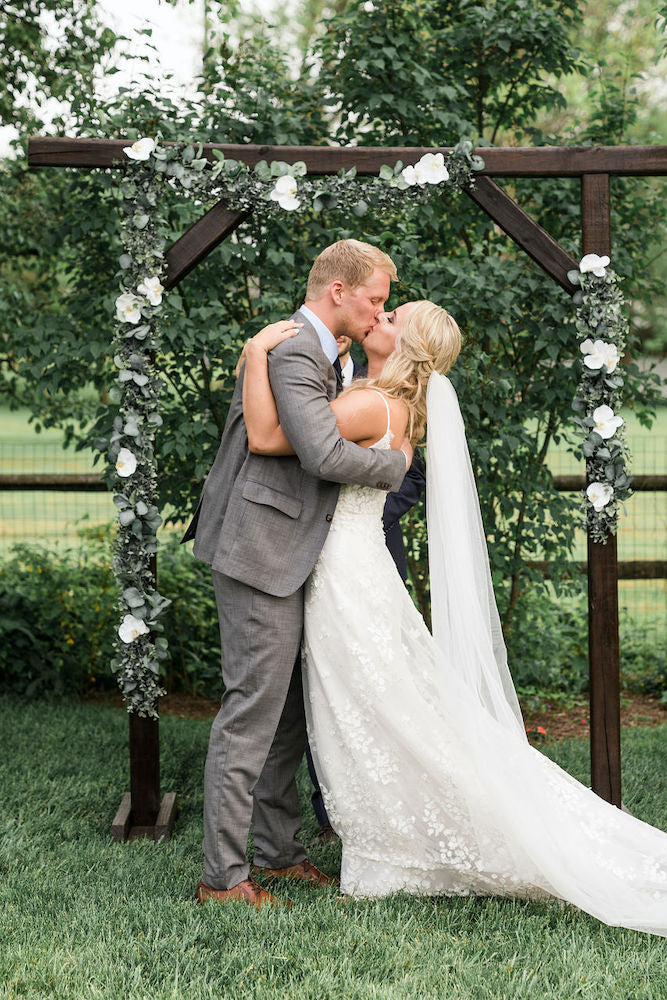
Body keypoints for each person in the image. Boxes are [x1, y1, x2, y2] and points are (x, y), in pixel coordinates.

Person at [243, 300, 667, 946]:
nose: (383, 313)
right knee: (376, 709)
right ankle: (388, 839)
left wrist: (256, 356)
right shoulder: (388, 400)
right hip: (353, 571)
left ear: (408, 343)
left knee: (375, 709)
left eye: (395, 313)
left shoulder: (371, 406)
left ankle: (394, 843)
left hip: (346, 575)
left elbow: (274, 436)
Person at [184, 239, 413, 909]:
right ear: (337, 291)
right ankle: (222, 879)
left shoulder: (329, 355)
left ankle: (279, 855)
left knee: (284, 718)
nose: (380, 310)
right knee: (251, 714)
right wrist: (397, 466)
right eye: (374, 297)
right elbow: (317, 450)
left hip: (293, 550)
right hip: (260, 550)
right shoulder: (290, 350)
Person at [306, 319, 426, 841]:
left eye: (391, 315)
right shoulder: (337, 373)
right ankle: (334, 804)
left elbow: (409, 477)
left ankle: (353, 814)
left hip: (361, 548)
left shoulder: (406, 405)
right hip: (315, 550)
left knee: (370, 682)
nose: (379, 317)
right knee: (325, 681)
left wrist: (359, 524)